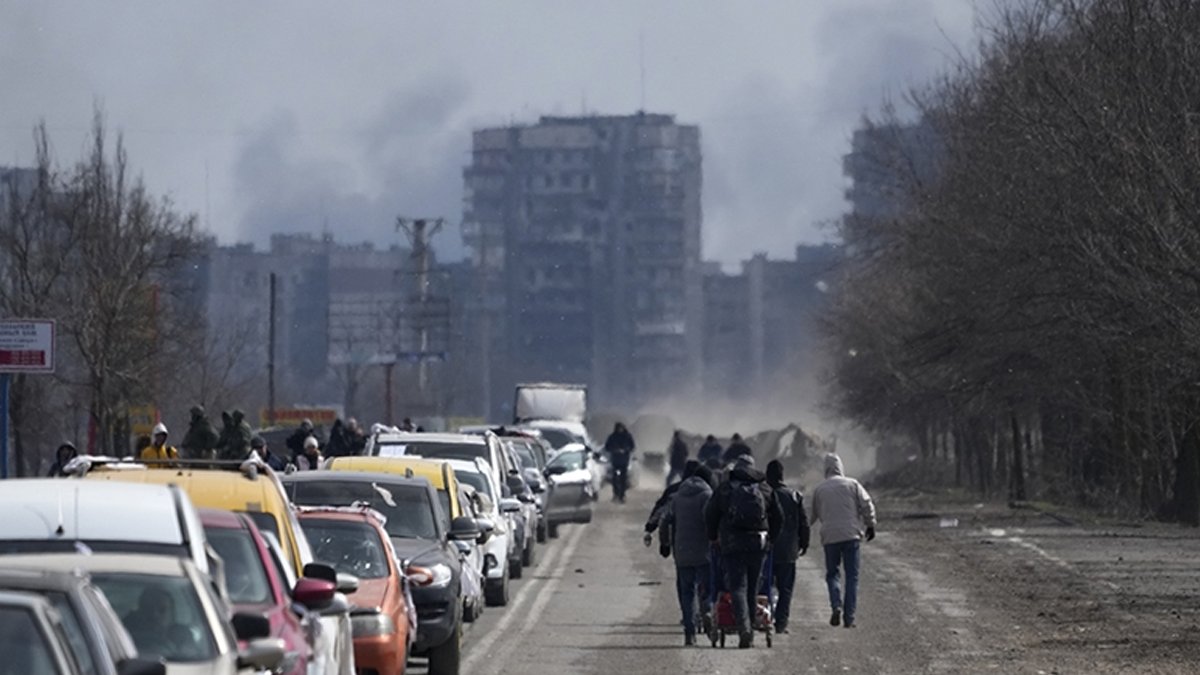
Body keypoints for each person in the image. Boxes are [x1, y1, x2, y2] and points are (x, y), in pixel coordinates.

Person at [704, 456, 782, 648]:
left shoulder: (725, 488)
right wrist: (772, 537)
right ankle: (752, 624)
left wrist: (713, 536)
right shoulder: (764, 489)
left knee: (737, 586)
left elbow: (709, 513)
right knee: (753, 587)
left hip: (732, 544)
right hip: (758, 544)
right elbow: (779, 516)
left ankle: (744, 628)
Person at [809, 453, 876, 629]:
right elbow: (866, 504)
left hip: (830, 537)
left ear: (826, 469)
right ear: (841, 467)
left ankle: (836, 605)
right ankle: (849, 617)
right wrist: (870, 524)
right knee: (852, 577)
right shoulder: (852, 484)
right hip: (851, 535)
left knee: (832, 574)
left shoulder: (820, 489)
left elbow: (811, 516)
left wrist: (798, 531)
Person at [659, 462, 714, 646]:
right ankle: (707, 612)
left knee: (687, 593)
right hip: (704, 551)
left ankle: (689, 633)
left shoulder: (677, 497)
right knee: (707, 587)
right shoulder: (707, 495)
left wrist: (665, 543)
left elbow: (664, 520)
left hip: (682, 552)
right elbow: (711, 521)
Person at [765, 459, 810, 634]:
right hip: (788, 551)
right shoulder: (794, 495)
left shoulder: (764, 494)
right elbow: (804, 523)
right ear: (782, 475)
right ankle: (781, 623)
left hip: (767, 549)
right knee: (785, 589)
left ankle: (763, 618)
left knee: (764, 587)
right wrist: (804, 543)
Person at [603, 422, 636, 503]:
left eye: (621, 428)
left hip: (624, 460)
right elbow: (607, 447)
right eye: (618, 428)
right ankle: (615, 494)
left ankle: (622, 494)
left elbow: (632, 446)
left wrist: (625, 450)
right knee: (614, 478)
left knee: (623, 479)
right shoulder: (612, 436)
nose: (620, 430)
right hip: (615, 460)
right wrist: (614, 450)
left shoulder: (627, 436)